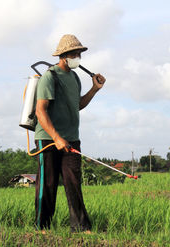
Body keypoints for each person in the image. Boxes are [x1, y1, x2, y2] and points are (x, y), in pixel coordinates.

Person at [34, 34, 105, 233]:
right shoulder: (50, 76)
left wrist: (94, 89)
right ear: (64, 55)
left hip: (72, 138)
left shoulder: (74, 77)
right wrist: (56, 138)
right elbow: (41, 111)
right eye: (75, 53)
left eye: (79, 53)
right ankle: (42, 228)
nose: (78, 57)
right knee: (47, 184)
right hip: (48, 139)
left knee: (73, 182)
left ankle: (81, 227)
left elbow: (77, 105)